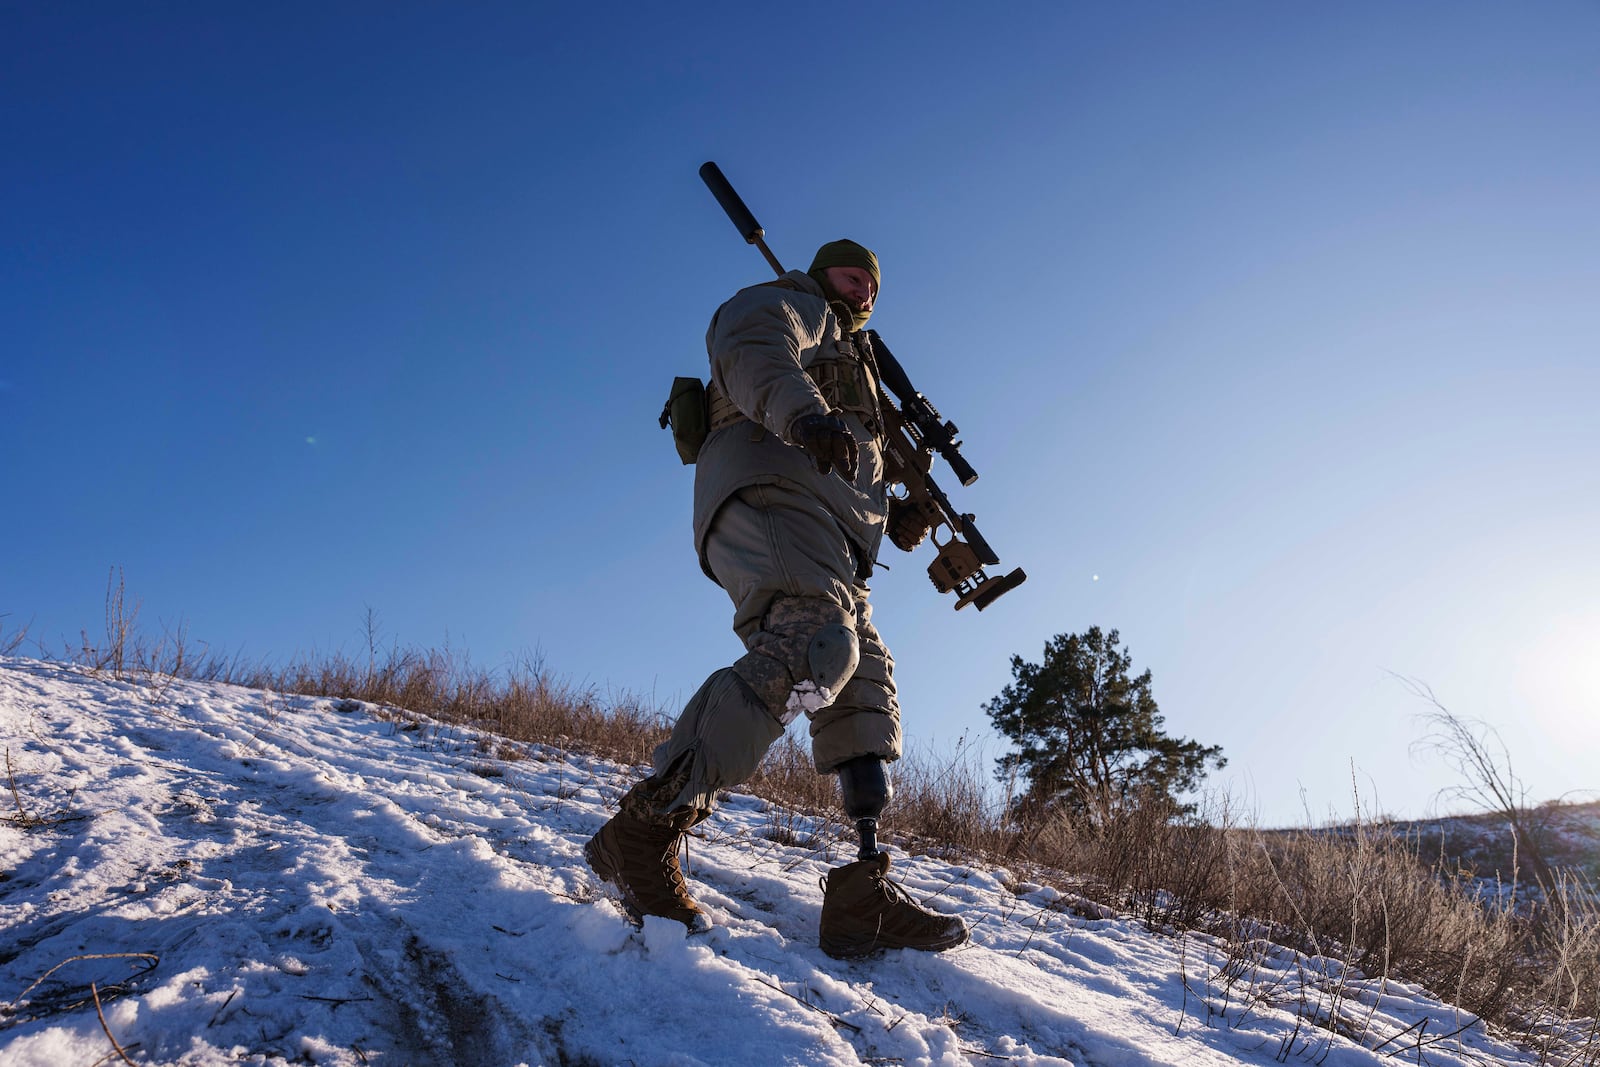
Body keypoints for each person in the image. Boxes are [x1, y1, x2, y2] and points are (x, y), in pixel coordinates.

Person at [586, 239, 967, 959]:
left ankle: (861, 894)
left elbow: (852, 458)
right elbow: (752, 347)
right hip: (770, 486)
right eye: (854, 276)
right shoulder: (790, 304)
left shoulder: (854, 362)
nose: (863, 293)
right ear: (824, 273)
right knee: (810, 644)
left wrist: (897, 513)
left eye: (873, 288)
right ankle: (643, 832)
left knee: (860, 679)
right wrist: (803, 415)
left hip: (829, 534)